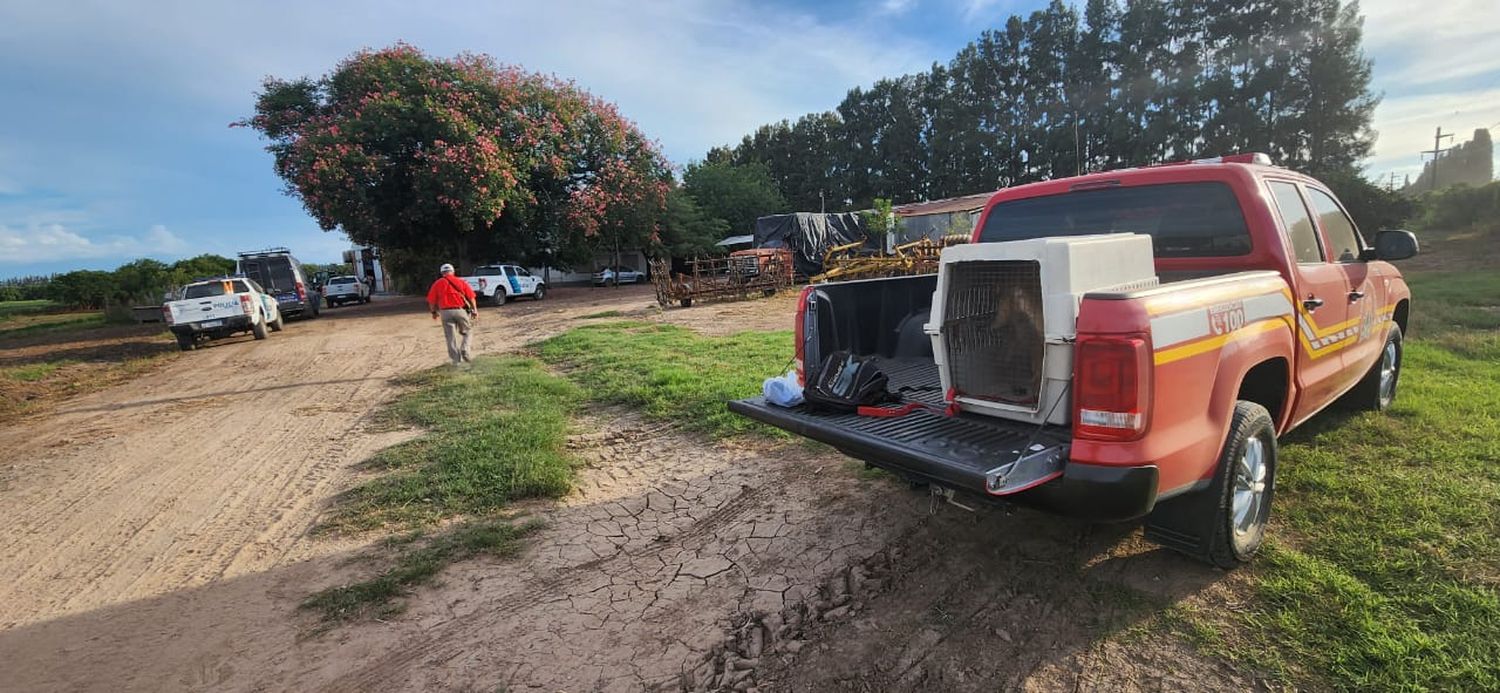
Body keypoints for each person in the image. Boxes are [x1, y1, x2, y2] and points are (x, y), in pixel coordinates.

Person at [426, 263, 479, 366]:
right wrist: (475, 310)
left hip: (445, 312)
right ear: (453, 272)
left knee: (450, 337)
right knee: (468, 331)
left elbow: (431, 301)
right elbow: (471, 297)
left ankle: (456, 362)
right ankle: (465, 350)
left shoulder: (437, 283)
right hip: (460, 310)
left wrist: (433, 312)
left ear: (442, 273)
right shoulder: (460, 282)